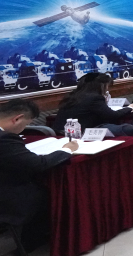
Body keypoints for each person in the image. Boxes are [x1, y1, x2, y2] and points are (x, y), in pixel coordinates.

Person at [0, 99, 78, 251]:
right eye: (26, 125)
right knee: (54, 193)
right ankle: (32, 242)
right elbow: (38, 165)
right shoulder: (5, 139)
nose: (23, 129)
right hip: (6, 198)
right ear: (17, 119)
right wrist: (67, 149)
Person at [51, 72, 133, 135]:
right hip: (79, 134)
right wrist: (130, 107)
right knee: (128, 129)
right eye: (107, 86)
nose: (107, 89)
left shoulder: (72, 95)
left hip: (59, 133)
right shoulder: (94, 98)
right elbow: (113, 115)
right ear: (101, 86)